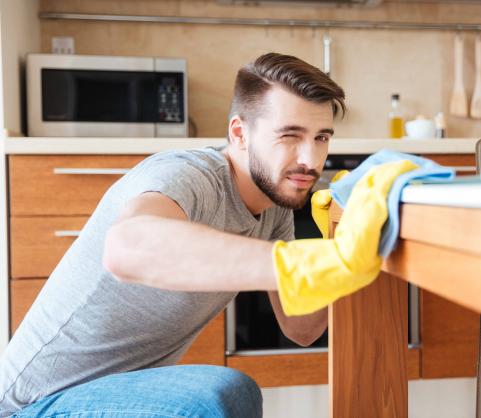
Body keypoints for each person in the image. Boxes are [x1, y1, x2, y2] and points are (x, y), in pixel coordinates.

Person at [0, 52, 346, 417]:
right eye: (290, 135)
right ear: (240, 134)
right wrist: (300, 263)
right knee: (218, 395)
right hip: (33, 404)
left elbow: (302, 327)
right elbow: (126, 247)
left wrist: (343, 245)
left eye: (321, 137)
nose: (310, 159)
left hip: (117, 392)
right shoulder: (188, 175)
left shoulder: (274, 207)